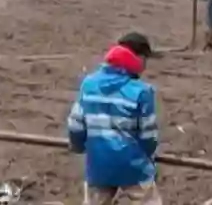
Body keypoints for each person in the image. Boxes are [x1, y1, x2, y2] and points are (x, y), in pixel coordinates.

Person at [67, 33, 161, 205]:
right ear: (137, 58)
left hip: (98, 163)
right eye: (145, 59)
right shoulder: (142, 92)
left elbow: (75, 125)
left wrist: (78, 145)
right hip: (132, 165)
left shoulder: (89, 84)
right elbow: (148, 136)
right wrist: (149, 159)